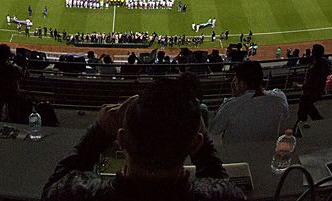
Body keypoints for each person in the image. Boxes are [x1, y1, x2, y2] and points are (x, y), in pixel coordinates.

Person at [42, 79, 245, 201]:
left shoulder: (79, 194)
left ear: (121, 139)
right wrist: (203, 147)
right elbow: (221, 186)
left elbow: (55, 187)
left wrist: (99, 131)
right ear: (196, 144)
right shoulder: (223, 196)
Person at [208, 61, 289, 143]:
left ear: (241, 83)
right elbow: (286, 115)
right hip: (269, 149)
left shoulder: (230, 105)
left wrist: (234, 97)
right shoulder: (279, 98)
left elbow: (214, 130)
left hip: (236, 150)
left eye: (235, 79)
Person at [0, 43, 24, 121]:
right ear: (8, 55)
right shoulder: (15, 69)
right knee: (12, 116)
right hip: (11, 95)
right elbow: (23, 74)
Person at [296, 43, 330, 124]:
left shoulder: (316, 69)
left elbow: (310, 84)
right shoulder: (324, 62)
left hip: (310, 93)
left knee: (304, 111)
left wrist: (298, 86)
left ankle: (300, 126)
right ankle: (318, 122)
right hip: (318, 91)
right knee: (308, 110)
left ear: (314, 53)